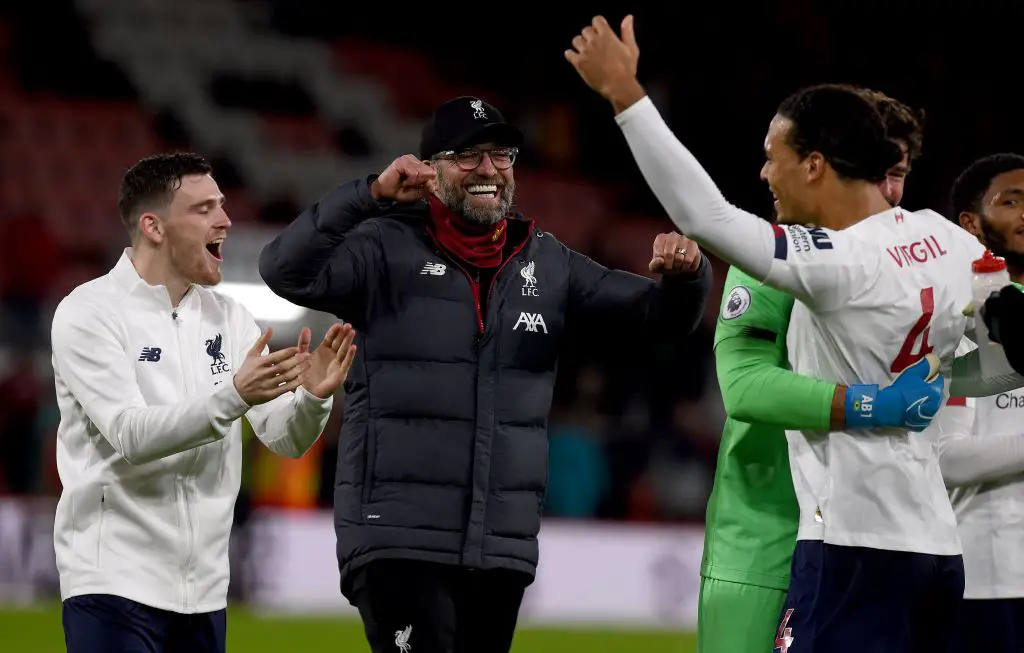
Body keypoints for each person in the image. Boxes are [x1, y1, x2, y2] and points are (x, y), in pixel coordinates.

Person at [564, 16, 1024, 652]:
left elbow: (707, 216)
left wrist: (626, 97)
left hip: (849, 544)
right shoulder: (948, 240)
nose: (763, 173)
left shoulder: (839, 262)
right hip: (937, 549)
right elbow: (1002, 340)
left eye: (771, 157)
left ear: (814, 165)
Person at [258, 95, 712, 653]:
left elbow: (662, 318)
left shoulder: (548, 262)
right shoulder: (381, 247)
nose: (488, 169)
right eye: (467, 156)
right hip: (398, 536)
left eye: (501, 155)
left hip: (499, 548)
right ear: (430, 169)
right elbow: (283, 269)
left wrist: (688, 276)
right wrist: (369, 194)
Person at [51, 152, 357, 653]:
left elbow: (285, 439)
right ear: (153, 227)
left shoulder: (230, 318)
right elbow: (130, 435)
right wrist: (233, 395)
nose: (225, 220)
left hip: (205, 594)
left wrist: (312, 399)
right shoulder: (89, 313)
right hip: (113, 586)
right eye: (204, 209)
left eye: (222, 204)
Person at [699, 89, 932, 653]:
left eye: (896, 173)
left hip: (884, 542)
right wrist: (877, 404)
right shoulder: (772, 259)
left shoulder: (922, 268)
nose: (884, 190)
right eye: (872, 169)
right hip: (766, 545)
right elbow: (745, 388)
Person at [941, 153, 1024, 651]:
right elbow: (948, 460)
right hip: (991, 581)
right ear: (971, 224)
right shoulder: (962, 325)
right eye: (1010, 202)